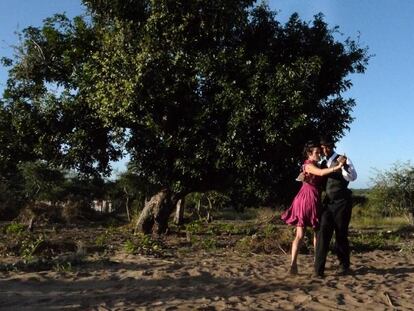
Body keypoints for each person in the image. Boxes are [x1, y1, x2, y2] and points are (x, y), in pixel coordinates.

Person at [281, 141, 344, 275]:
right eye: (316, 152)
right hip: (305, 200)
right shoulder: (308, 165)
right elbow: (320, 173)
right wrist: (337, 167)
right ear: (309, 153)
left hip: (315, 200)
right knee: (300, 235)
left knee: (317, 233)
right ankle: (293, 265)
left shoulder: (316, 164)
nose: (319, 154)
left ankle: (317, 262)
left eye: (319, 152)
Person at [314, 137, 357, 278]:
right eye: (322, 148)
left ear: (332, 146)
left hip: (342, 203)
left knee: (341, 234)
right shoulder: (321, 164)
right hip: (327, 203)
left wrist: (343, 166)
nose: (324, 150)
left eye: (327, 147)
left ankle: (344, 266)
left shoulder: (343, 159)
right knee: (322, 234)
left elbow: (352, 177)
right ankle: (318, 270)